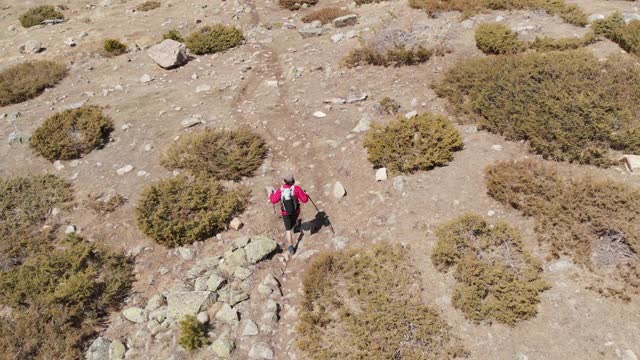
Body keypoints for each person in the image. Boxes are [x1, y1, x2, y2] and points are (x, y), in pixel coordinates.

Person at [269, 172, 308, 256]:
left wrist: (271, 194)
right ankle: (295, 227)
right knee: (294, 220)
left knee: (288, 230)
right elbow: (305, 200)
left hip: (285, 212)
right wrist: (306, 194)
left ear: (285, 181)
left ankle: (291, 247)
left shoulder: (281, 190)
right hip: (296, 211)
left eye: (283, 179)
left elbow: (274, 200)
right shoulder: (297, 188)